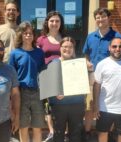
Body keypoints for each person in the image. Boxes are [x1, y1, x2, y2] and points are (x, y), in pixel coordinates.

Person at [82, 7, 121, 137]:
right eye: (97, 17)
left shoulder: (118, 37)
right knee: (90, 105)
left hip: (112, 77)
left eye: (103, 17)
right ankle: (87, 132)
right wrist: (86, 62)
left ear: (109, 18)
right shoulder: (91, 36)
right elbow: (86, 54)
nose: (100, 19)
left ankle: (109, 133)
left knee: (109, 105)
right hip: (93, 75)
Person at [9, 22, 46, 142]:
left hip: (37, 92)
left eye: (30, 33)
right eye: (25, 33)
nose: (28, 36)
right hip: (21, 93)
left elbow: (43, 72)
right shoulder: (15, 53)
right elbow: (11, 75)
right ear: (21, 35)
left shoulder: (39, 53)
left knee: (37, 126)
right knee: (23, 126)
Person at [48, 37, 86, 142]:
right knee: (58, 134)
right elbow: (47, 82)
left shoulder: (79, 64)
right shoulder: (53, 63)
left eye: (70, 47)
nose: (67, 49)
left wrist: (89, 70)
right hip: (59, 105)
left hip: (76, 104)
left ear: (73, 49)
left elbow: (84, 82)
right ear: (60, 48)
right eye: (65, 46)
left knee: (75, 135)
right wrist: (55, 92)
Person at [36, 11, 65, 142]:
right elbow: (36, 57)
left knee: (61, 104)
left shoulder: (64, 38)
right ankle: (52, 132)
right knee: (48, 105)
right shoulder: (41, 39)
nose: (54, 23)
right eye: (52, 21)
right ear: (47, 23)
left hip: (62, 75)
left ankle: (63, 132)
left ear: (60, 23)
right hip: (46, 75)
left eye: (57, 21)